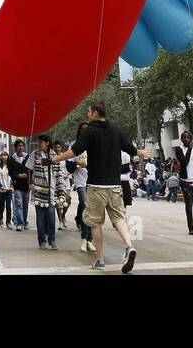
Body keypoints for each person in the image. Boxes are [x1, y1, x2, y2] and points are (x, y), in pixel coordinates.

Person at [53, 101, 150, 273]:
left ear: (96, 113)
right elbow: (129, 148)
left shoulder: (89, 131)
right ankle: (129, 245)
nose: (88, 115)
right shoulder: (116, 130)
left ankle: (100, 259)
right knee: (119, 218)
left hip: (96, 186)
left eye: (89, 112)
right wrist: (140, 152)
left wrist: (55, 158)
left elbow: (74, 151)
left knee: (95, 223)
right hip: (115, 185)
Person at [30, 133, 61, 250]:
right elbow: (29, 169)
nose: (38, 144)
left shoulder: (54, 155)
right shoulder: (34, 154)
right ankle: (42, 241)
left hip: (51, 192)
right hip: (39, 191)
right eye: (38, 142)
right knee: (40, 218)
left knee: (51, 216)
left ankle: (52, 240)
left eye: (40, 142)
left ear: (47, 143)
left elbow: (59, 174)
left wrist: (59, 189)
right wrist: (31, 183)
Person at [66, 124, 94, 253]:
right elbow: (68, 163)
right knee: (84, 204)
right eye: (82, 129)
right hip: (81, 182)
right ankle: (84, 238)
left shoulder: (95, 143)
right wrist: (78, 163)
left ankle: (90, 240)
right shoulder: (75, 145)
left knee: (92, 211)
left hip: (94, 181)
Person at [7, 139, 31, 231]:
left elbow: (30, 168)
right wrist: (17, 175)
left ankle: (24, 222)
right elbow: (10, 171)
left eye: (22, 146)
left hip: (26, 185)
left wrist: (26, 174)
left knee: (25, 204)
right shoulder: (12, 159)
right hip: (17, 185)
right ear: (15, 147)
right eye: (18, 146)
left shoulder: (28, 157)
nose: (20, 147)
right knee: (19, 204)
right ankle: (20, 223)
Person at [0, 152, 13, 228]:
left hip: (8, 189)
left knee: (8, 206)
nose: (4, 157)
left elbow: (12, 176)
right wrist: (0, 186)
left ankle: (8, 222)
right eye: (2, 155)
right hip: (1, 190)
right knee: (2, 205)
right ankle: (0, 218)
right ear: (0, 157)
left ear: (7, 156)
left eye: (5, 155)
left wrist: (11, 185)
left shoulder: (10, 166)